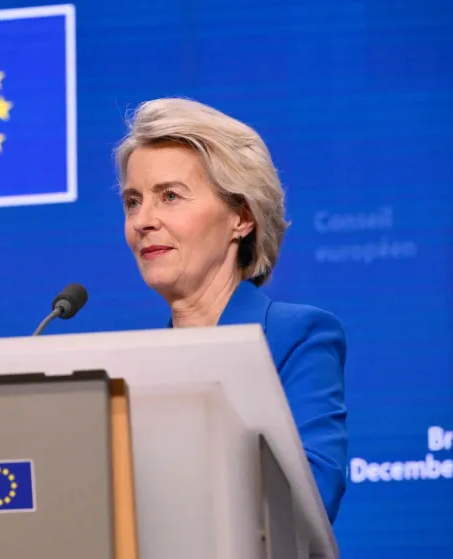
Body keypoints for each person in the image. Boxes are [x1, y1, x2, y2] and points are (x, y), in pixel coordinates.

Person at [115, 97, 348, 524]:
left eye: (170, 196)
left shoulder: (296, 336)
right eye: (133, 201)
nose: (142, 221)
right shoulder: (131, 369)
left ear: (241, 217)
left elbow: (311, 496)